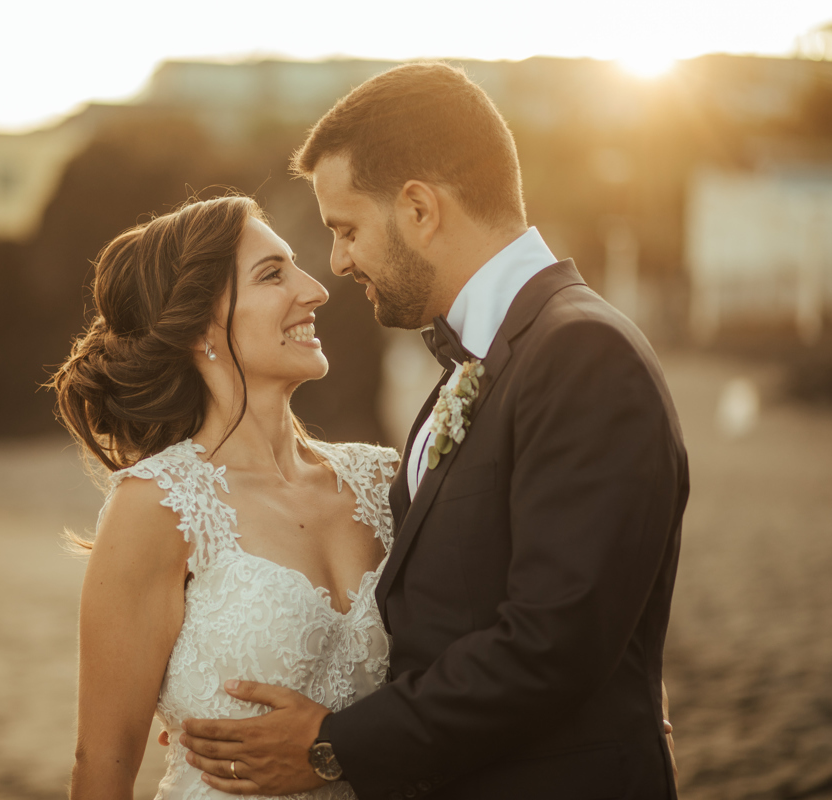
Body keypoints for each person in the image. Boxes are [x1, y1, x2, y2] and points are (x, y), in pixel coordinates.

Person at [180, 63, 687, 799]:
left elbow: (552, 646)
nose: (338, 261)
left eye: (347, 228)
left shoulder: (582, 354)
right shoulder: (481, 362)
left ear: (418, 208)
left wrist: (331, 746)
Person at [49, 194, 401, 799]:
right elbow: (103, 764)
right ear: (197, 328)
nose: (315, 290)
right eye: (273, 274)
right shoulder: (158, 504)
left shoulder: (382, 481)